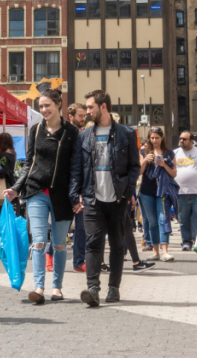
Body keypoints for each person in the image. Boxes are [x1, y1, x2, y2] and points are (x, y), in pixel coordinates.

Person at [69, 90, 140, 307]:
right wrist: (74, 195)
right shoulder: (84, 136)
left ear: (103, 107)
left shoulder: (126, 133)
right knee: (93, 244)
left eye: (90, 107)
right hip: (92, 199)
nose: (87, 111)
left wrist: (127, 193)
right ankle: (93, 289)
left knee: (118, 245)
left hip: (118, 200)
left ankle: (114, 288)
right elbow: (77, 168)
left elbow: (134, 167)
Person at [5, 90, 77, 304]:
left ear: (58, 104)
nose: (44, 110)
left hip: (62, 195)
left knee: (59, 244)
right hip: (36, 192)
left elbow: (75, 167)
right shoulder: (35, 130)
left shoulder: (72, 132)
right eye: (41, 106)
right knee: (37, 242)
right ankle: (39, 287)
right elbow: (29, 163)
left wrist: (77, 194)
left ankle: (57, 287)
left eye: (48, 105)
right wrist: (16, 189)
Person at [138, 127, 176, 262]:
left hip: (163, 190)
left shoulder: (169, 153)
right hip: (147, 191)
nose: (154, 140)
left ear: (162, 138)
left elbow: (173, 173)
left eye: (157, 138)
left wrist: (164, 164)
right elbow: (139, 172)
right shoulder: (144, 152)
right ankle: (155, 252)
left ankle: (165, 251)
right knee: (152, 222)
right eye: (152, 138)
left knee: (163, 219)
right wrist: (145, 160)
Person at [66, 103, 89, 271]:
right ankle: (49, 254)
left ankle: (79, 261)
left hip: (80, 187)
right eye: (80, 116)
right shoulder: (66, 135)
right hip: (66, 187)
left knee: (81, 227)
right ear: (71, 117)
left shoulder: (84, 134)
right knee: (64, 226)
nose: (83, 118)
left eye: (84, 116)